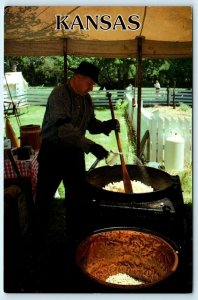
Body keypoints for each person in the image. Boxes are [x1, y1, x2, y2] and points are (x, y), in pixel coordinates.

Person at [34, 61, 120, 241]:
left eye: (93, 85)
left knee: (77, 197)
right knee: (44, 197)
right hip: (53, 153)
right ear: (78, 77)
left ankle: (74, 236)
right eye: (89, 83)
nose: (91, 88)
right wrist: (92, 146)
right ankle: (38, 235)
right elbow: (64, 129)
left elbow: (91, 125)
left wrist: (106, 126)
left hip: (74, 154)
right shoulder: (59, 94)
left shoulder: (86, 99)